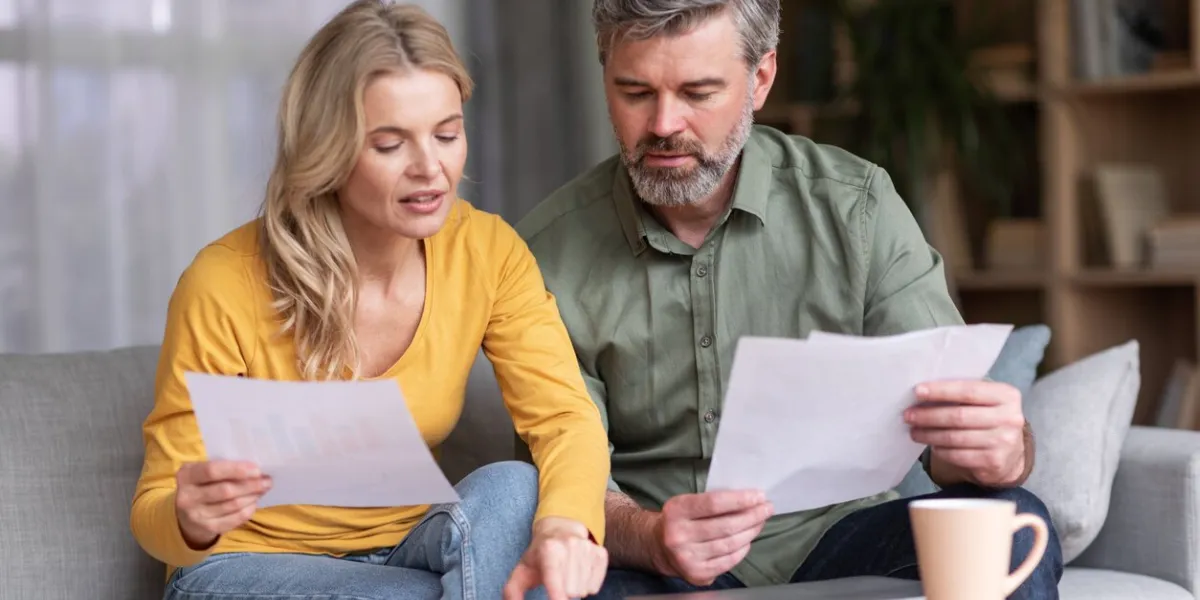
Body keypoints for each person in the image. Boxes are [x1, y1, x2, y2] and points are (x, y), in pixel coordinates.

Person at [515, 1, 1064, 599]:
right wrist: (650, 537)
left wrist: (1001, 454)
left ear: (761, 79)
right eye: (635, 92)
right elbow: (564, 479)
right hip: (652, 555)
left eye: (698, 93)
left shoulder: (857, 208)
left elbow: (947, 442)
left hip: (839, 532)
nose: (665, 123)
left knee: (1014, 523)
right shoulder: (544, 253)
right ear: (605, 78)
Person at [130, 2, 611, 599]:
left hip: (410, 547)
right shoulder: (224, 281)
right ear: (326, 150)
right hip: (242, 565)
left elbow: (566, 418)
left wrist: (566, 530)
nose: (431, 168)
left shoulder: (487, 252)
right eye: (389, 144)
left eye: (447, 134)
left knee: (519, 488)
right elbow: (155, 502)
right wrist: (189, 518)